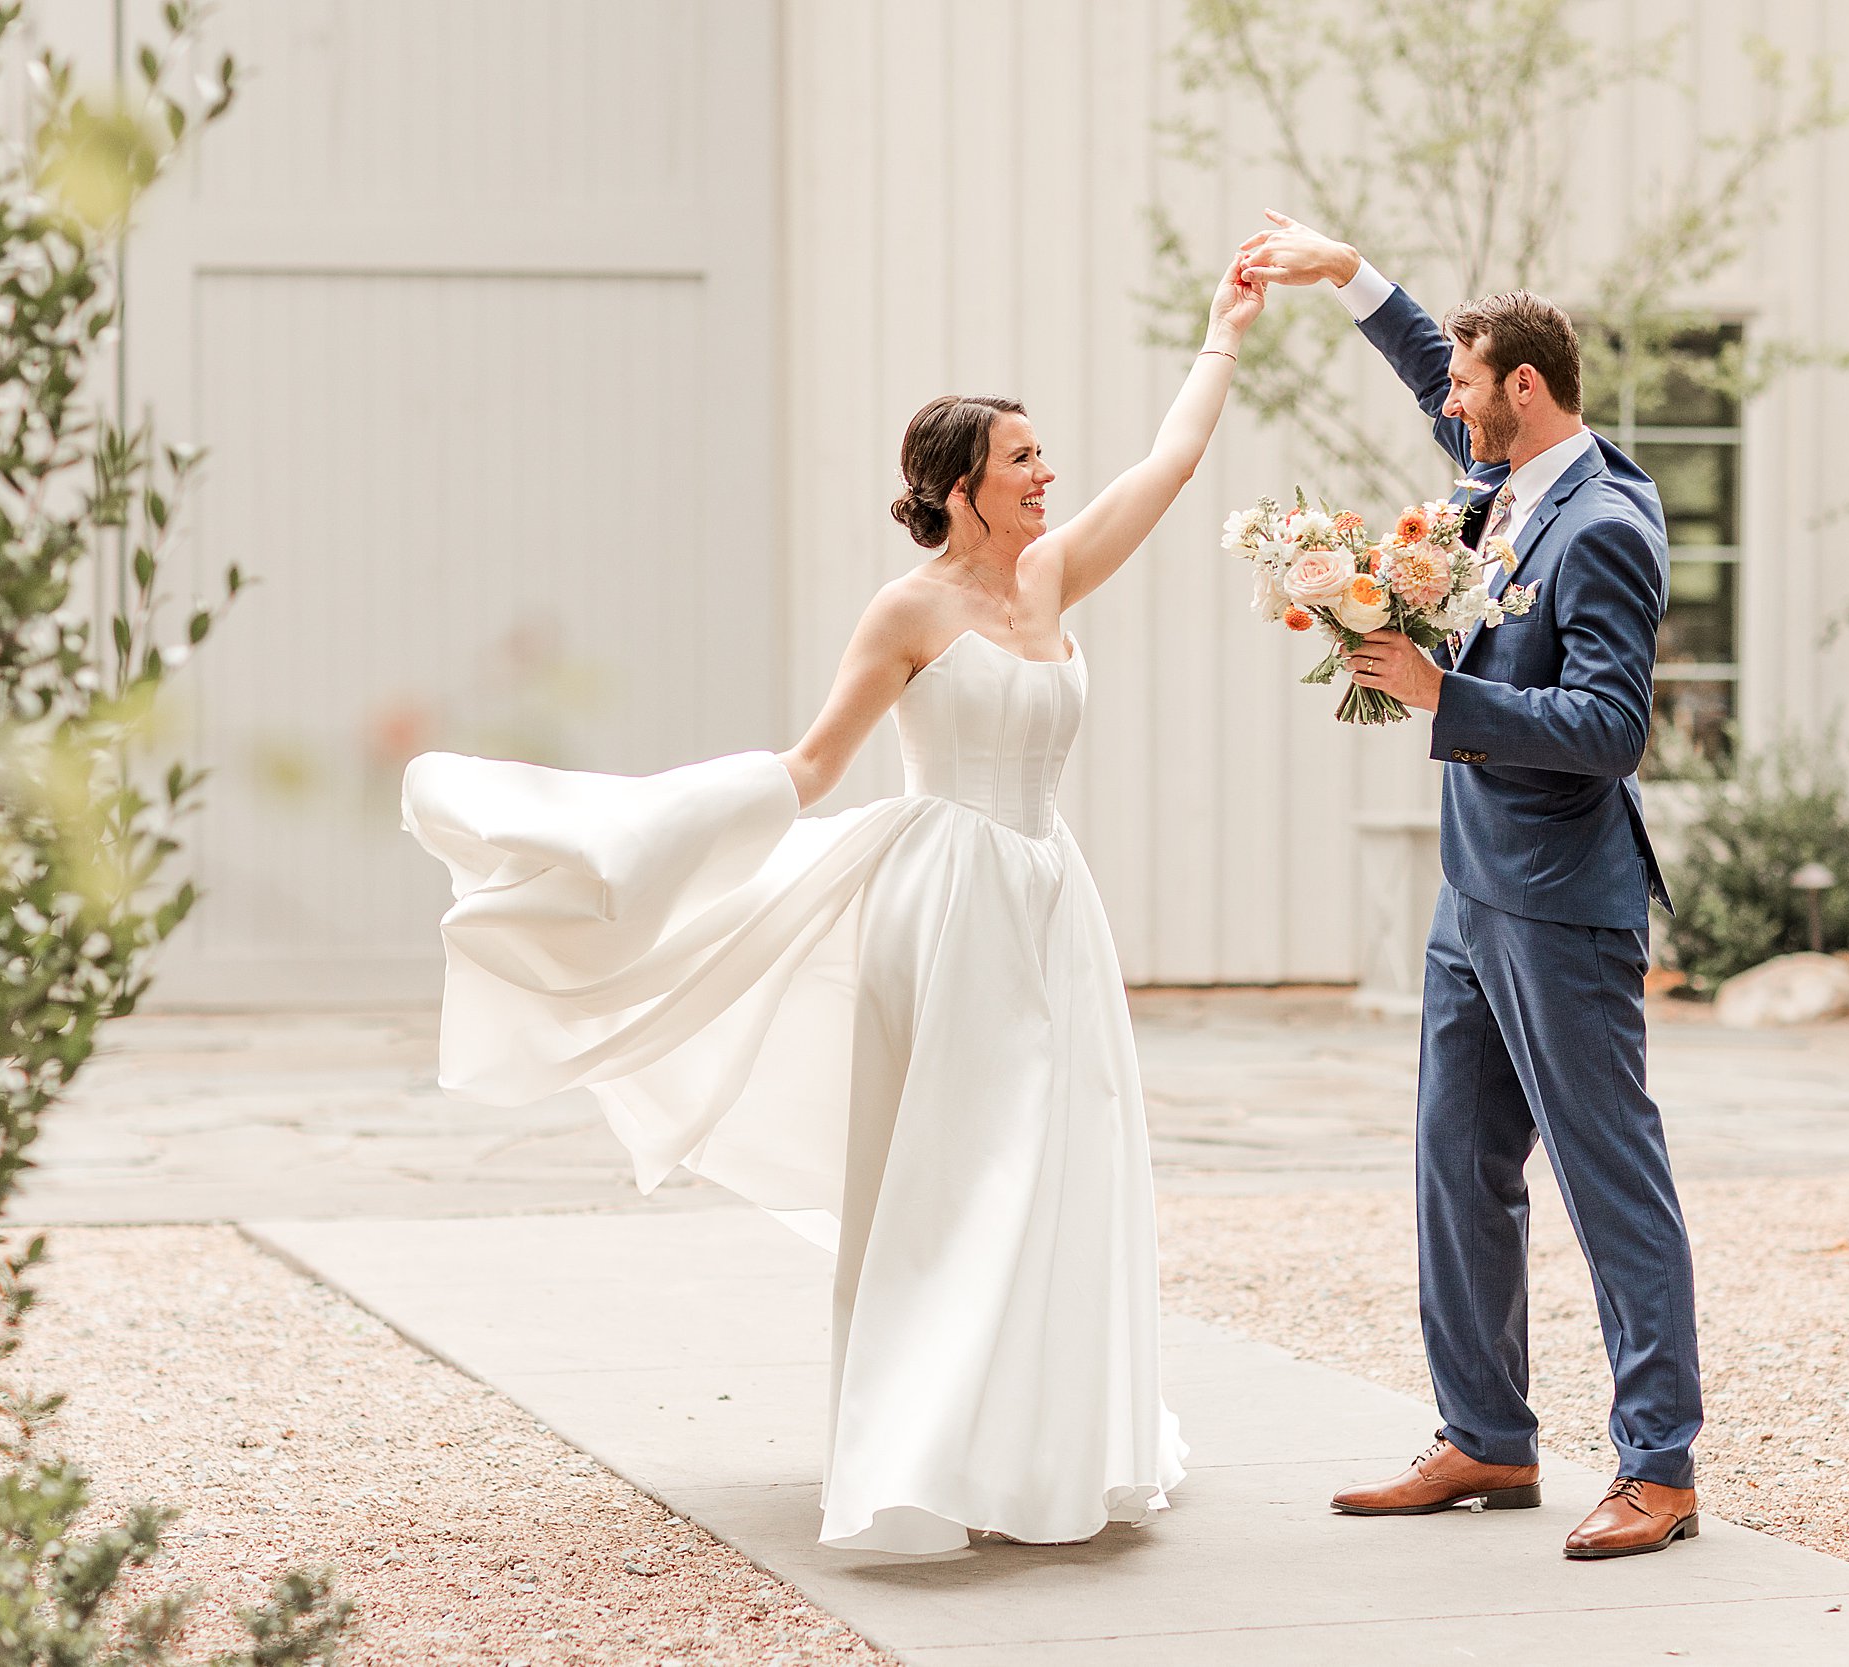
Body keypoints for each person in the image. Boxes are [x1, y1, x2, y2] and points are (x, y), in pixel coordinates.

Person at [400, 259, 1267, 1555]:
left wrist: (1222, 338)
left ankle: (1045, 1444)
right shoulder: (908, 611)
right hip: (947, 906)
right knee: (960, 1175)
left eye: (1045, 457)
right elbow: (814, 765)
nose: (1048, 475)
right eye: (1024, 459)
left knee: (1062, 1165)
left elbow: (1172, 466)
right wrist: (657, 836)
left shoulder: (1051, 577)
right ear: (960, 482)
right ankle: (919, 1453)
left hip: (1050, 901)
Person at [1239, 211, 1704, 1559]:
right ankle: (1488, 1439)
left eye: (1466, 381)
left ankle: (1659, 1466)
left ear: (1527, 389)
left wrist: (1447, 694)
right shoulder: (1501, 485)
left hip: (1563, 897)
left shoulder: (1604, 523)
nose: (1449, 400)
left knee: (1610, 1178)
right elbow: (1427, 373)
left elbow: (1613, 727)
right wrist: (1349, 279)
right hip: (1470, 894)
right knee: (1456, 1162)